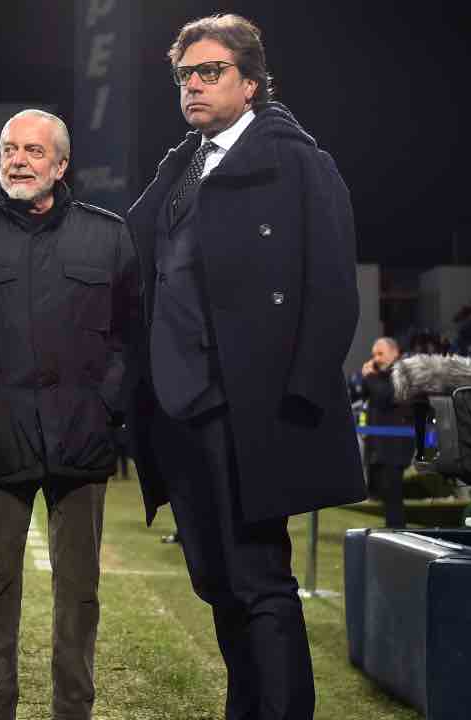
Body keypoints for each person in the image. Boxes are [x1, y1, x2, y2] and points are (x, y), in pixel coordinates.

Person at [125, 14, 365, 720]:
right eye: (184, 76)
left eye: (209, 72)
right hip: (178, 409)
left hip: (248, 411)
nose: (192, 85)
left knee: (261, 583)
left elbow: (332, 292)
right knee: (218, 585)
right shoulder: (182, 166)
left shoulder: (299, 162)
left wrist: (293, 403)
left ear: (252, 83)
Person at [0, 108, 139, 720]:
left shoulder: (110, 235)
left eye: (33, 151)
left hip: (81, 442)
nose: (17, 160)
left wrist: (104, 411)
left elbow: (130, 337)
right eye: (9, 149)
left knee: (79, 592)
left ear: (61, 165)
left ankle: (74, 711)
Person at [361, 337, 411, 528]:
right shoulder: (381, 375)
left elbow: (385, 396)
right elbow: (365, 394)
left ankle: (397, 533)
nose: (376, 359)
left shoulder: (403, 373)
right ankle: (393, 531)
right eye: (374, 354)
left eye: (380, 354)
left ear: (394, 352)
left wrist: (370, 377)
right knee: (385, 494)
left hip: (394, 446)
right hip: (380, 445)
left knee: (393, 495)